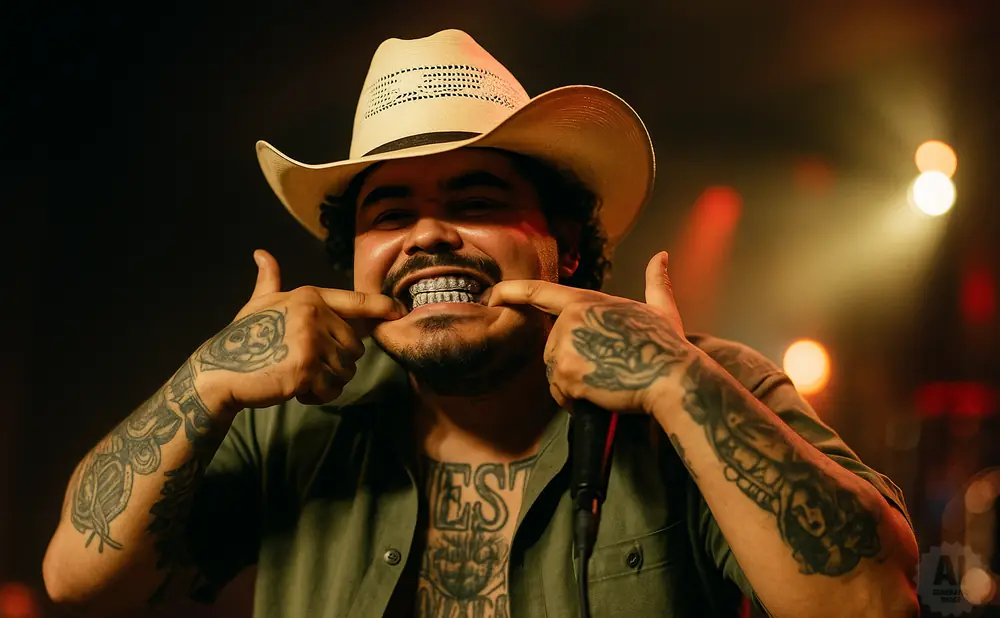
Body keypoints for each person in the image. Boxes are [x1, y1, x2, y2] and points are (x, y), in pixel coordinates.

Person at [42, 29, 919, 617]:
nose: (428, 234)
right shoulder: (288, 419)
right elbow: (76, 582)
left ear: (564, 246)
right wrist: (207, 379)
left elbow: (876, 602)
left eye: (476, 198)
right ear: (353, 259)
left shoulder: (708, 386)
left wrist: (677, 383)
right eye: (391, 213)